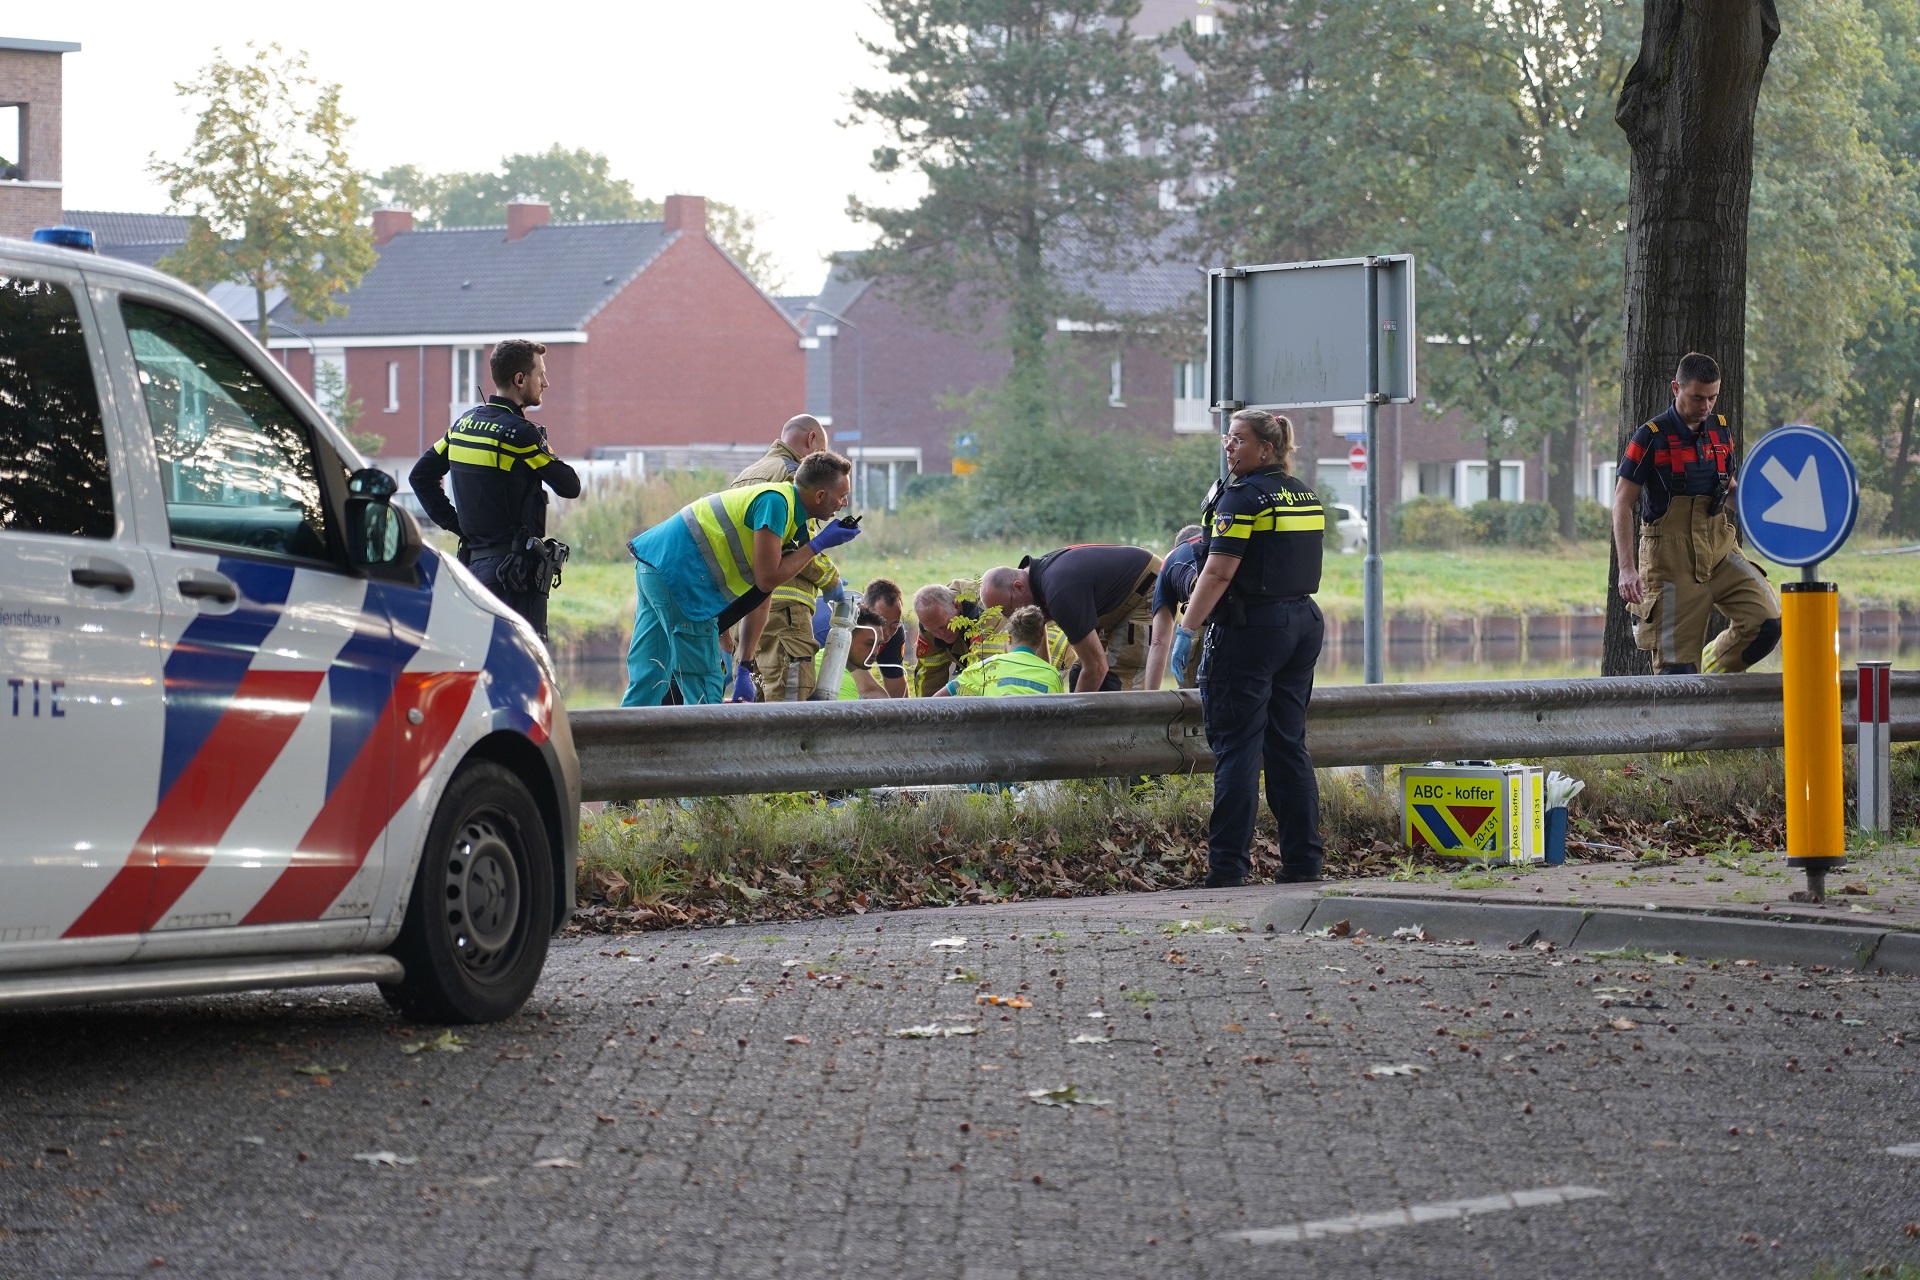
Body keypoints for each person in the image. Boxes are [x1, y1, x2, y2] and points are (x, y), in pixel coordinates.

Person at [1181, 409, 1326, 888]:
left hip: (1252, 630)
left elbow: (1219, 572)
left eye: (1238, 440)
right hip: (1301, 623)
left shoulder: (1242, 499)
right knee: (1287, 745)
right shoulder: (1302, 491)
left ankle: (1226, 869)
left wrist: (1188, 626)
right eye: (1227, 438)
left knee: (1237, 748)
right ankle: (1303, 863)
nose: (1229, 447)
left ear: (1266, 448)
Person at [620, 452, 859, 706]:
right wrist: (818, 544)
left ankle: (619, 742)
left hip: (653, 565)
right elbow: (767, 579)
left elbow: (761, 594)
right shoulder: (776, 502)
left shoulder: (787, 512)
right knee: (703, 681)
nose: (844, 503)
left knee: (651, 674)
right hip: (681, 579)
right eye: (842, 496)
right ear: (820, 495)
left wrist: (743, 668)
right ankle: (710, 743)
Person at [1614, 352, 1782, 674]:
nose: (1706, 406)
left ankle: (1714, 664)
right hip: (1670, 562)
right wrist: (1626, 569)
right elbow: (1622, 502)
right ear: (1676, 388)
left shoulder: (1720, 431)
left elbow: (1729, 490)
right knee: (1677, 674)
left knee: (1767, 623)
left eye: (1713, 397)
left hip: (1719, 547)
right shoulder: (1649, 437)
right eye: (1697, 397)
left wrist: (1767, 518)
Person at [409, 339, 580, 641]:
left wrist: (457, 525)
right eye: (540, 374)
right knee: (520, 666)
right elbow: (569, 485)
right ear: (519, 380)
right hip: (511, 577)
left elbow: (420, 477)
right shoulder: (521, 436)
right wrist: (542, 447)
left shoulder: (462, 425)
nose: (546, 383)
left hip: (472, 568)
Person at [731, 415, 843, 700]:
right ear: (811, 440)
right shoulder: (795, 476)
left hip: (744, 613)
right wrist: (832, 581)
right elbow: (797, 544)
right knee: (789, 708)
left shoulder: (748, 473)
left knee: (751, 709)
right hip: (784, 615)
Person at [979, 544, 1163, 692]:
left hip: (1146, 587)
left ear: (1018, 586)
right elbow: (1041, 647)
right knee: (1078, 673)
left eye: (1009, 608)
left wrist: (1071, 723)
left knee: (1117, 680)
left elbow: (1096, 667)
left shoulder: (1058, 592)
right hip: (1111, 604)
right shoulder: (1036, 582)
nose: (1011, 616)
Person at [933, 606, 1065, 697]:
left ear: (1007, 637)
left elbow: (935, 701)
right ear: (1040, 641)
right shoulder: (1053, 675)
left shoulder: (984, 668)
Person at [911, 580, 1002, 696]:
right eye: (932, 630)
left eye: (944, 626)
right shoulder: (930, 623)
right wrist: (925, 710)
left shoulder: (987, 616)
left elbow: (982, 675)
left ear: (956, 605)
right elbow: (929, 676)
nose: (940, 634)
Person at [1145, 524, 1207, 690]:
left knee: (1194, 690)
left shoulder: (1170, 560)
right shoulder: (1221, 542)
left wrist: (1150, 701)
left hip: (1204, 598)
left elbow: (1159, 641)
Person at [811, 605, 888, 700]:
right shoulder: (841, 679)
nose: (875, 652)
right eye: (869, 644)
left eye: (879, 644)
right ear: (848, 638)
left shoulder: (822, 655)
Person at [862, 578, 910, 698]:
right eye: (881, 623)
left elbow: (898, 693)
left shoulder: (895, 633)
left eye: (895, 623)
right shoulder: (843, 629)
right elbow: (866, 688)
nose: (887, 634)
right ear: (865, 610)